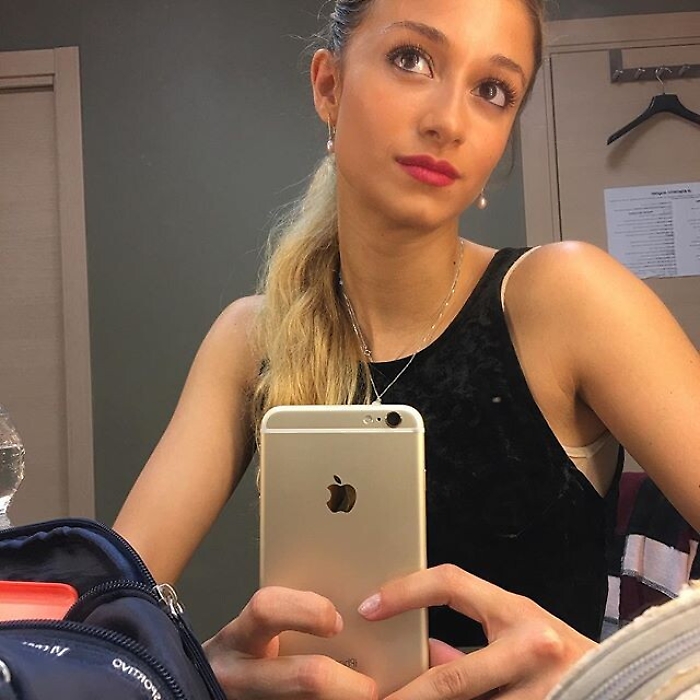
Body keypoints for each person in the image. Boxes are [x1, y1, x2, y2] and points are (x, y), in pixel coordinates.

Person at [114, 0, 700, 697]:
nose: (449, 121)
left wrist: (610, 679)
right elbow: (98, 628)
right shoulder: (251, 340)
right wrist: (194, 677)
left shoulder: (567, 298)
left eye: (492, 90)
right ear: (328, 86)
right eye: (411, 59)